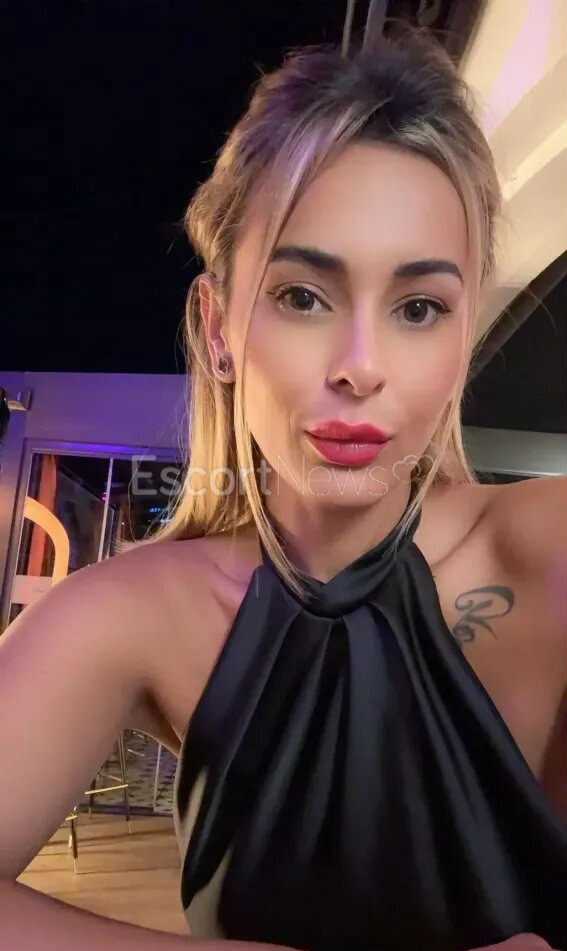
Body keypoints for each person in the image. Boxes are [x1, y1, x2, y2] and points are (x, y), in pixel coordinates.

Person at [1, 25, 565, 951]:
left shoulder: (549, 549)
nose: (360, 366)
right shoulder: (137, 610)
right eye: (303, 295)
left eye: (418, 308)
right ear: (218, 327)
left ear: (461, 340)